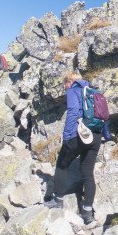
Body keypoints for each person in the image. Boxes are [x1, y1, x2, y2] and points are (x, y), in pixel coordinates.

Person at [43, 72, 110, 225]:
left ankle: (57, 200)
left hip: (80, 134)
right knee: (87, 173)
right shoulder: (94, 92)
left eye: (64, 84)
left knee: (62, 165)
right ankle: (87, 212)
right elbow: (104, 116)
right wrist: (106, 134)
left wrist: (67, 137)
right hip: (96, 136)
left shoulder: (73, 90)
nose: (64, 87)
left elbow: (73, 112)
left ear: (69, 81)